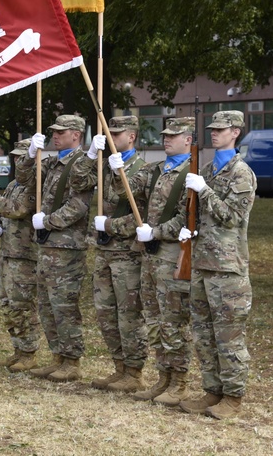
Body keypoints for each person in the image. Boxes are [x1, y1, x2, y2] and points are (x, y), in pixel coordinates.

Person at [104, 117, 194, 405]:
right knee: (154, 319)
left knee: (174, 321)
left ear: (188, 140)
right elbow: (128, 191)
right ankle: (162, 378)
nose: (167, 139)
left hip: (172, 256)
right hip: (149, 256)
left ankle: (178, 381)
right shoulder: (155, 170)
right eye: (165, 135)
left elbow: (187, 217)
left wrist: (154, 231)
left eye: (174, 136)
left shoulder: (192, 174)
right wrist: (116, 170)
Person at [179, 110, 256, 419]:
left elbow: (233, 216)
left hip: (227, 269)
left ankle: (233, 397)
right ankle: (212, 392)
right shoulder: (207, 168)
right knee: (203, 334)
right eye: (212, 128)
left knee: (228, 336)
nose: (215, 133)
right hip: (202, 263)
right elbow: (200, 213)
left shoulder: (241, 173)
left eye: (221, 129)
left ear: (235, 132)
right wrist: (189, 227)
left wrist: (204, 190)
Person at [70, 116, 148, 391]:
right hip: (104, 250)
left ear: (132, 136)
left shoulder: (144, 168)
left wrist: (111, 225)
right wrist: (90, 155)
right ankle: (119, 366)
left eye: (118, 133)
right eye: (109, 132)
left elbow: (142, 216)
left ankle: (134, 371)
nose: (112, 137)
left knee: (128, 314)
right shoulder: (104, 164)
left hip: (127, 252)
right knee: (105, 313)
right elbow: (78, 182)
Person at [18, 114, 94, 383]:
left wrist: (48, 221)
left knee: (64, 305)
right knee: (47, 304)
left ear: (76, 134)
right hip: (47, 245)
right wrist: (29, 154)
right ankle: (58, 356)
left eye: (60, 132)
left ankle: (72, 361)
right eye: (54, 132)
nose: (55, 136)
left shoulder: (83, 164)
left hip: (67, 246)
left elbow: (79, 205)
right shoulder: (51, 162)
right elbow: (24, 178)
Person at [0, 139, 39, 372]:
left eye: (21, 157)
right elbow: (6, 214)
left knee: (22, 305)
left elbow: (17, 209)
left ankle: (29, 352)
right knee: (8, 304)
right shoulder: (15, 183)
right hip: (8, 251)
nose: (17, 160)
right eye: (15, 156)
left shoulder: (34, 184)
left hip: (25, 254)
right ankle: (18, 349)